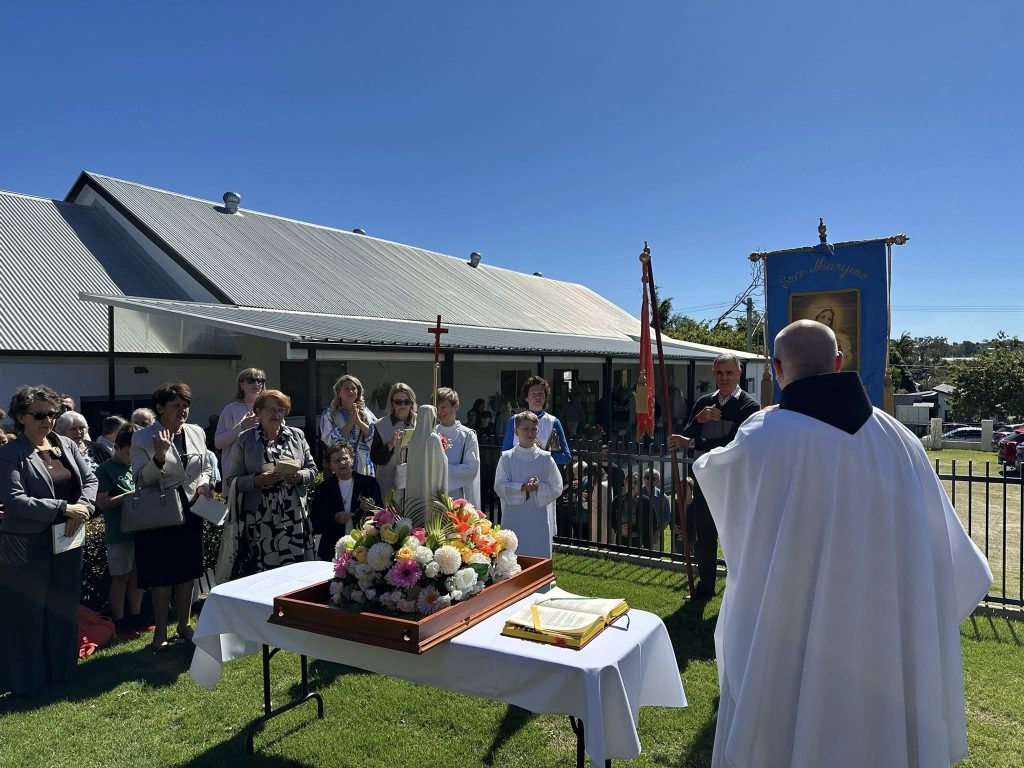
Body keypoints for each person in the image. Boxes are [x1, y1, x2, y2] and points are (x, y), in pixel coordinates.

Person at [693, 320, 992, 768]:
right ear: (838, 363)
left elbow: (715, 475)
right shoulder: (901, 440)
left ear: (777, 369)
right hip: (885, 639)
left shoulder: (762, 436)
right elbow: (951, 559)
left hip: (794, 631)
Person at [0, 385, 96, 696]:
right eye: (39, 415)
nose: (48, 420)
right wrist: (64, 508)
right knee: (27, 611)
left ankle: (62, 671)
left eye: (52, 414)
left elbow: (90, 480)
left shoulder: (65, 444)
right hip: (26, 543)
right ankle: (27, 680)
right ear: (20, 417)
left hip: (67, 538)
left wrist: (83, 509)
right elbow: (15, 500)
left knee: (62, 605)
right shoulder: (9, 454)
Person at [668, 353, 759, 598]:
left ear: (739, 374)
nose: (724, 378)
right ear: (713, 374)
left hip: (734, 482)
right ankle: (706, 587)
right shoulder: (704, 403)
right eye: (720, 373)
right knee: (705, 535)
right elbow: (683, 437)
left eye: (729, 373)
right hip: (706, 481)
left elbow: (734, 443)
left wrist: (693, 441)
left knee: (736, 537)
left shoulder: (749, 406)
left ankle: (740, 590)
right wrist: (699, 420)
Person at [131, 382, 212, 651]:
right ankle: (161, 630)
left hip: (191, 510)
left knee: (188, 570)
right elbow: (140, 479)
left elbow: (206, 467)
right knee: (162, 574)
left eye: (186, 405)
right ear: (160, 408)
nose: (183, 410)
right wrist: (158, 457)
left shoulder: (197, 431)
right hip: (160, 512)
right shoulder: (143, 438)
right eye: (176, 405)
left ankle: (184, 625)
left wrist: (204, 484)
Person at [226, 389, 317, 573]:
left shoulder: (297, 436)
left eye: (281, 410)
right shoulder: (245, 439)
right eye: (271, 409)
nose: (276, 414)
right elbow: (231, 480)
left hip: (293, 514)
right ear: (258, 412)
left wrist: (300, 476)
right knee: (265, 571)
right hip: (260, 516)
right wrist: (257, 480)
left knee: (296, 570)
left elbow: (313, 470)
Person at [95, 428, 146, 638]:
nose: (131, 457)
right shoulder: (104, 470)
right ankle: (119, 622)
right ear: (116, 447)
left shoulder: (137, 467)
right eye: (127, 452)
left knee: (137, 576)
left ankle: (136, 617)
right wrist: (129, 496)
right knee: (120, 577)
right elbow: (101, 503)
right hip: (119, 533)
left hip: (139, 531)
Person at [494, 411, 563, 559]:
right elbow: (499, 485)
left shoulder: (546, 459)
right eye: (525, 429)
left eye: (533, 429)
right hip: (514, 515)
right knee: (513, 556)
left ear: (538, 430)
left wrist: (539, 487)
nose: (530, 433)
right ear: (516, 431)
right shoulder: (506, 458)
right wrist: (522, 487)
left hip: (538, 516)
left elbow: (556, 486)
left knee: (538, 554)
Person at [311, 442, 382, 561]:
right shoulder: (323, 489)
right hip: (332, 550)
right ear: (331, 466)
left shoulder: (369, 483)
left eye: (345, 458)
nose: (342, 463)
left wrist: (371, 507)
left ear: (352, 460)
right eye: (337, 461)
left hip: (364, 548)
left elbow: (381, 515)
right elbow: (315, 522)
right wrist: (334, 518)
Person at [501, 376, 572, 466]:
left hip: (543, 472)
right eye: (534, 393)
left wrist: (541, 454)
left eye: (541, 393)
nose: (538, 396)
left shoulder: (554, 422)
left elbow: (566, 457)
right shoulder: (514, 421)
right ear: (526, 397)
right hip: (518, 471)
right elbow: (505, 455)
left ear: (545, 397)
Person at [320, 374, 377, 476]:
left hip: (363, 466)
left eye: (353, 388)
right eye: (346, 388)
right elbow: (329, 439)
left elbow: (375, 436)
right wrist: (350, 422)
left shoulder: (366, 413)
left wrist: (359, 421)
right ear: (339, 392)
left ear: (358, 391)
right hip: (341, 464)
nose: (350, 392)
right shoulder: (330, 414)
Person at [215, 367, 265, 479]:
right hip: (236, 471)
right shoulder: (230, 409)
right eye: (251, 380)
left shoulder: (269, 409)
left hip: (263, 469)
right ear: (241, 385)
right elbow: (218, 443)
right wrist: (241, 427)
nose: (256, 384)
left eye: (260, 381)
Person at [435, 387, 481, 508]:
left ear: (455, 406)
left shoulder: (467, 435)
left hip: (458, 497)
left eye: (443, 407)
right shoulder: (431, 433)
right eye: (436, 408)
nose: (439, 411)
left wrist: (439, 471)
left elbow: (471, 468)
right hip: (433, 496)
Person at [369, 383, 416, 499]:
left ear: (412, 403)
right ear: (392, 403)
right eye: (398, 402)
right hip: (389, 484)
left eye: (407, 402)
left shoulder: (421, 423)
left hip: (414, 483)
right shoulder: (380, 425)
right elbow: (375, 458)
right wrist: (390, 445)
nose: (403, 405)